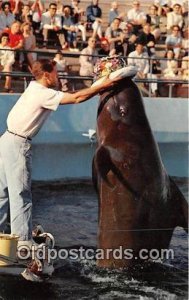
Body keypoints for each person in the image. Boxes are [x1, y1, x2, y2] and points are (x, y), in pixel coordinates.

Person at [0, 58, 122, 248]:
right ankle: (23, 244)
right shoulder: (42, 93)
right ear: (47, 75)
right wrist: (103, 85)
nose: (58, 76)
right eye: (56, 73)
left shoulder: (32, 89)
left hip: (5, 140)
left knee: (2, 192)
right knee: (20, 194)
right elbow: (76, 98)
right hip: (17, 144)